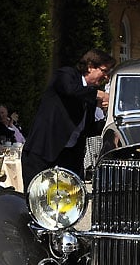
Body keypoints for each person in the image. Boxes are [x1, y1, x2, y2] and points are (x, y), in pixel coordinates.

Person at [21, 49, 115, 188]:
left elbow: (87, 129)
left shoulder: (89, 95)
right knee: (38, 198)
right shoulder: (67, 75)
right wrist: (99, 95)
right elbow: (70, 90)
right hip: (43, 152)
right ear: (90, 66)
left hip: (69, 157)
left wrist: (109, 122)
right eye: (104, 71)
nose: (106, 77)